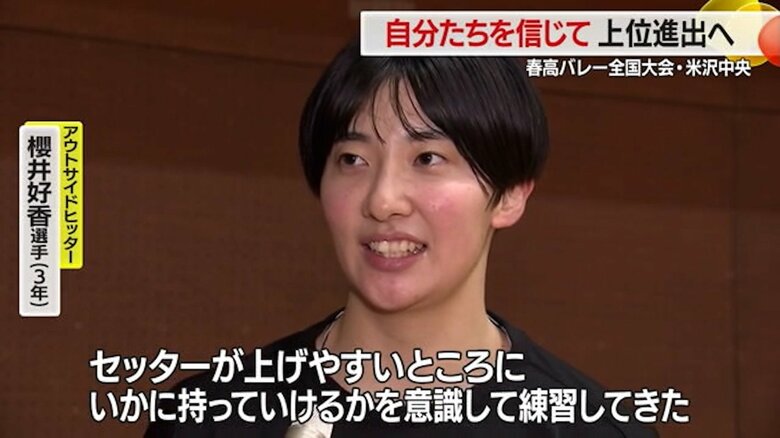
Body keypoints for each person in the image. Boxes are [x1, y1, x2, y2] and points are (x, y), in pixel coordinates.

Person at [146, 37, 657, 437]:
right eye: (353, 160)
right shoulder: (209, 418)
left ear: (508, 196)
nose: (383, 199)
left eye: (427, 158)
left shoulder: (590, 428)